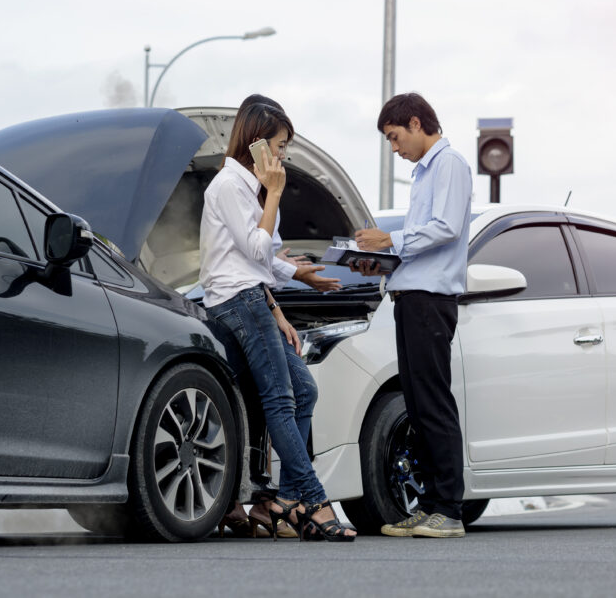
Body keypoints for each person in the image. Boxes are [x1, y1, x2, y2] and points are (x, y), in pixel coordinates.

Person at [201, 100, 355, 542]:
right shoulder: (230, 185)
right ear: (258, 143)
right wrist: (275, 192)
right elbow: (254, 251)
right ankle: (313, 499)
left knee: (303, 390)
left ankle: (287, 497)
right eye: (281, 145)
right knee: (281, 401)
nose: (284, 154)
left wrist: (298, 279)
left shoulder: (249, 187)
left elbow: (266, 254)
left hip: (253, 299)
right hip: (238, 303)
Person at [354, 93, 473, 538]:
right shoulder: (425, 172)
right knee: (419, 407)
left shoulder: (450, 164)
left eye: (395, 137)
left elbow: (446, 228)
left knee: (434, 403)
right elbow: (422, 242)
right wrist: (381, 259)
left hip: (430, 301)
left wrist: (391, 242)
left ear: (417, 123)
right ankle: (428, 507)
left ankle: (449, 509)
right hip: (410, 297)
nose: (394, 148)